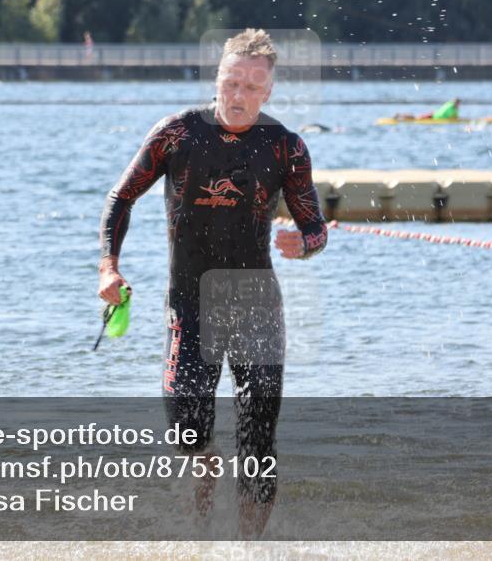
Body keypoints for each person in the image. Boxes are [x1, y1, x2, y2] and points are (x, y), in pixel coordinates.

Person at [98, 29, 328, 537]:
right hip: (190, 302)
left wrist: (304, 242)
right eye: (231, 82)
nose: (239, 95)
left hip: (256, 306)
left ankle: (249, 546)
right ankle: (203, 468)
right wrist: (108, 267)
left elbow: (316, 227)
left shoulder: (285, 147)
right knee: (186, 429)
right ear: (217, 79)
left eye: (252, 85)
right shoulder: (177, 134)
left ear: (268, 90)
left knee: (259, 442)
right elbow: (120, 199)